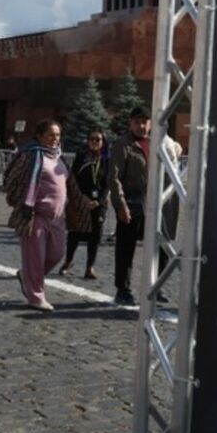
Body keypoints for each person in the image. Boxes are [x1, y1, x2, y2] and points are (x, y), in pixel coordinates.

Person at [2, 119, 90, 312]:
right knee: (35, 258)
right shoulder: (30, 155)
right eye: (50, 134)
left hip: (58, 218)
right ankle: (36, 297)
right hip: (35, 216)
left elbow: (70, 184)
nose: (54, 138)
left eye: (57, 135)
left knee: (57, 254)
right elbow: (10, 178)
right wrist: (21, 200)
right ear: (40, 136)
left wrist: (83, 202)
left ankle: (27, 277)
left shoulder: (59, 158)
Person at [109, 107, 152, 306]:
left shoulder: (155, 142)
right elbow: (115, 177)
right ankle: (123, 289)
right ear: (130, 123)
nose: (141, 126)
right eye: (137, 122)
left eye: (145, 121)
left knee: (158, 247)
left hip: (151, 203)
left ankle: (155, 287)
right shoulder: (123, 144)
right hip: (131, 201)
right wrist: (120, 205)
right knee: (126, 249)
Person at [61, 129, 109, 279]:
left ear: (103, 142)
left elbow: (108, 183)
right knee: (75, 232)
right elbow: (74, 178)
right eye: (92, 139)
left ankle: (90, 267)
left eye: (98, 140)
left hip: (98, 203)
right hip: (81, 200)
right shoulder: (81, 157)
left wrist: (99, 201)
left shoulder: (107, 159)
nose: (95, 142)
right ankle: (68, 261)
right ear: (88, 141)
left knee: (95, 235)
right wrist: (82, 198)